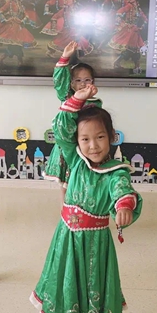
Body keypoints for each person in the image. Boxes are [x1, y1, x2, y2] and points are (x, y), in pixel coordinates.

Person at [31, 83, 142, 313]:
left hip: (96, 246)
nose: (93, 145)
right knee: (62, 285)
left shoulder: (116, 171)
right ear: (76, 142)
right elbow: (61, 127)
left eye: (100, 137)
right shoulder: (75, 160)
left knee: (95, 290)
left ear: (112, 137)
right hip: (65, 239)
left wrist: (124, 206)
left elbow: (123, 190)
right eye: (85, 139)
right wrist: (77, 99)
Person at [45, 41, 101, 204]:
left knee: (84, 180)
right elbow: (59, 81)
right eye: (78, 80)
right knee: (66, 184)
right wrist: (65, 57)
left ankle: (83, 208)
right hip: (68, 149)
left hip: (86, 149)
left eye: (87, 80)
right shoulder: (67, 97)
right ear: (71, 83)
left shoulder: (96, 104)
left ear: (93, 83)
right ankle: (66, 210)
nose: (83, 84)